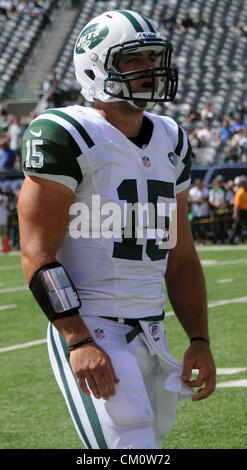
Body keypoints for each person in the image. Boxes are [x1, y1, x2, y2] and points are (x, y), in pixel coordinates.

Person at [18, 10, 216, 450]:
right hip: (94, 327)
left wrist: (199, 338)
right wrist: (78, 338)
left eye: (153, 56)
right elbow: (36, 253)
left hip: (155, 332)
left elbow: (180, 257)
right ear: (95, 67)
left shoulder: (172, 139)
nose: (150, 69)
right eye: (134, 59)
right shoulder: (66, 133)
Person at [229, 176, 247, 244]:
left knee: (239, 227)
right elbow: (236, 205)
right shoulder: (240, 192)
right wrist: (235, 214)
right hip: (241, 212)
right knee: (236, 227)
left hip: (245, 211)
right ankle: (231, 240)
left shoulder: (245, 191)